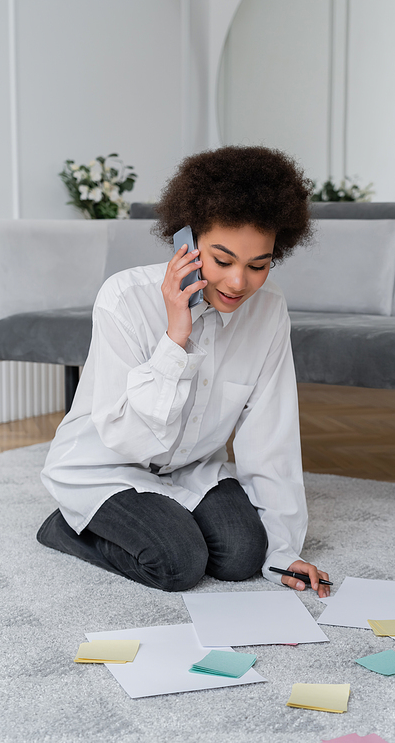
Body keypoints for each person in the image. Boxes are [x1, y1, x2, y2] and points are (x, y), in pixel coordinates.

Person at [38, 146, 330, 597]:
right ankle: (66, 526)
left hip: (190, 469)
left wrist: (284, 550)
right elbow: (127, 437)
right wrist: (176, 336)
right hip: (107, 464)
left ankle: (169, 519)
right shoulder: (125, 298)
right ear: (189, 243)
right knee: (178, 564)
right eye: (222, 260)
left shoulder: (269, 312)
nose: (238, 283)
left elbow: (270, 435)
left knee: (245, 557)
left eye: (259, 265)